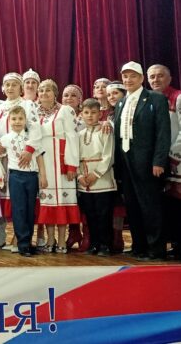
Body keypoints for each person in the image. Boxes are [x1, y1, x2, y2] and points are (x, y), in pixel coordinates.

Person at [114, 61, 170, 261]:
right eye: (125, 76)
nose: (128, 80)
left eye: (133, 76)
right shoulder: (121, 102)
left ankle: (156, 249)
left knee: (150, 205)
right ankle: (139, 246)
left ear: (141, 78)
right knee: (133, 206)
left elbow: (163, 132)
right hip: (126, 161)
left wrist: (159, 161)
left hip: (147, 162)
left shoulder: (155, 98)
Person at [0, 72, 42, 249]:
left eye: (14, 84)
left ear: (21, 88)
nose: (10, 88)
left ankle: (22, 240)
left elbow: (35, 128)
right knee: (6, 199)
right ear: (3, 88)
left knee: (23, 203)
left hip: (23, 160)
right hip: (2, 158)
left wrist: (29, 150)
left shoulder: (27, 104)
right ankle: (3, 234)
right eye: (7, 85)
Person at [0, 106, 48, 257]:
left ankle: (28, 242)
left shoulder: (32, 139)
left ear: (25, 121)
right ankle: (22, 244)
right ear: (9, 120)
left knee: (30, 210)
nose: (17, 122)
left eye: (20, 119)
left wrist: (43, 176)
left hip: (32, 176)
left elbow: (39, 157)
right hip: (15, 177)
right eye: (14, 119)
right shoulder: (5, 139)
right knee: (19, 210)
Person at [36, 79, 80, 253]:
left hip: (60, 162)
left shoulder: (65, 110)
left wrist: (71, 165)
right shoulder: (34, 112)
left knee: (62, 201)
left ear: (55, 93)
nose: (44, 93)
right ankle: (50, 239)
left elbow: (72, 137)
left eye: (48, 90)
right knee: (47, 201)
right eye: (41, 90)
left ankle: (62, 239)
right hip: (42, 163)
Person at [146, 64, 181, 259]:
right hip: (158, 162)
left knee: (178, 202)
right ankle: (172, 243)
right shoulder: (148, 99)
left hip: (176, 160)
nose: (155, 80)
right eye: (152, 77)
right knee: (165, 205)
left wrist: (173, 155)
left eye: (160, 76)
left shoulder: (178, 97)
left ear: (169, 78)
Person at [77, 99, 116, 256]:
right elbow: (75, 157)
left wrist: (96, 174)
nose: (90, 116)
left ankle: (106, 245)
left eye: (93, 112)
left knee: (104, 214)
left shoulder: (105, 130)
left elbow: (109, 155)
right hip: (84, 181)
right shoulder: (79, 134)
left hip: (103, 180)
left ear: (100, 114)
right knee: (90, 215)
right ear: (81, 114)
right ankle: (94, 244)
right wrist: (79, 175)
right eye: (86, 112)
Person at [61, 83, 88, 251]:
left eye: (73, 95)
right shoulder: (58, 116)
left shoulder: (86, 116)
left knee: (84, 200)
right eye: (66, 95)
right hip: (65, 164)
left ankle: (87, 234)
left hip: (83, 163)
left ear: (80, 100)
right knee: (70, 199)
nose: (69, 98)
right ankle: (74, 232)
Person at [105, 81, 128, 253]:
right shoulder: (109, 116)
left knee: (122, 201)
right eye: (109, 95)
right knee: (114, 201)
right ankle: (113, 236)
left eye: (115, 93)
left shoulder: (127, 111)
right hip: (112, 162)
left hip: (126, 161)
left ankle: (119, 236)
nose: (112, 97)